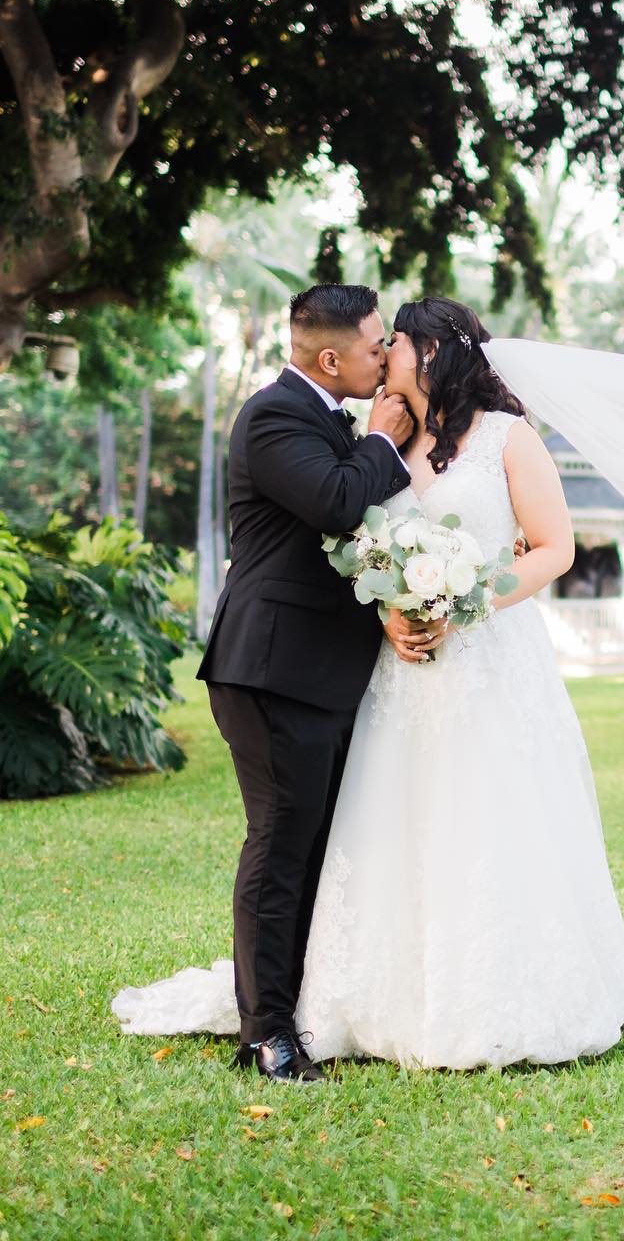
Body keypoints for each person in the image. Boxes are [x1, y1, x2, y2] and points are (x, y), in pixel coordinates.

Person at [117, 295, 624, 1077]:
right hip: (375, 676)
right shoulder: (371, 437)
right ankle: (300, 1015)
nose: (383, 353)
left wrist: (463, 605)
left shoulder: (505, 437)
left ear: (431, 354)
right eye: (376, 342)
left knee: (482, 825)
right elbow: (356, 538)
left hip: (484, 663)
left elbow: (554, 547)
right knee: (368, 830)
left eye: (393, 341)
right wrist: (395, 617)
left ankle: (491, 993)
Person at [193, 283, 417, 1080]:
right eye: (373, 345)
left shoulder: (329, 420)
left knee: (314, 846)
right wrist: (385, 441)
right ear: (331, 357)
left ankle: (296, 1004)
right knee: (281, 845)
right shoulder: (274, 416)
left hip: (320, 671)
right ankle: (266, 1033)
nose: (385, 355)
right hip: (272, 666)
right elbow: (334, 502)